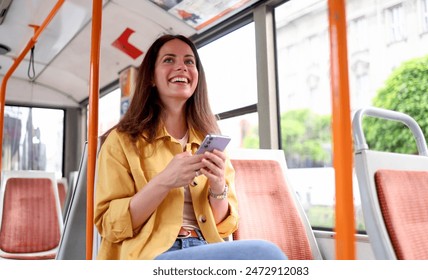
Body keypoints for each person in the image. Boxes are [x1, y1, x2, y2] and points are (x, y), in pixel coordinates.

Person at [94, 34, 287, 260]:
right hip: (150, 254)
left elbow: (225, 227)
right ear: (151, 78)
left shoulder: (211, 141)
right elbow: (109, 224)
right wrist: (164, 181)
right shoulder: (122, 141)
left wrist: (217, 187)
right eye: (168, 60)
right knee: (265, 254)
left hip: (204, 246)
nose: (181, 67)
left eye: (189, 62)